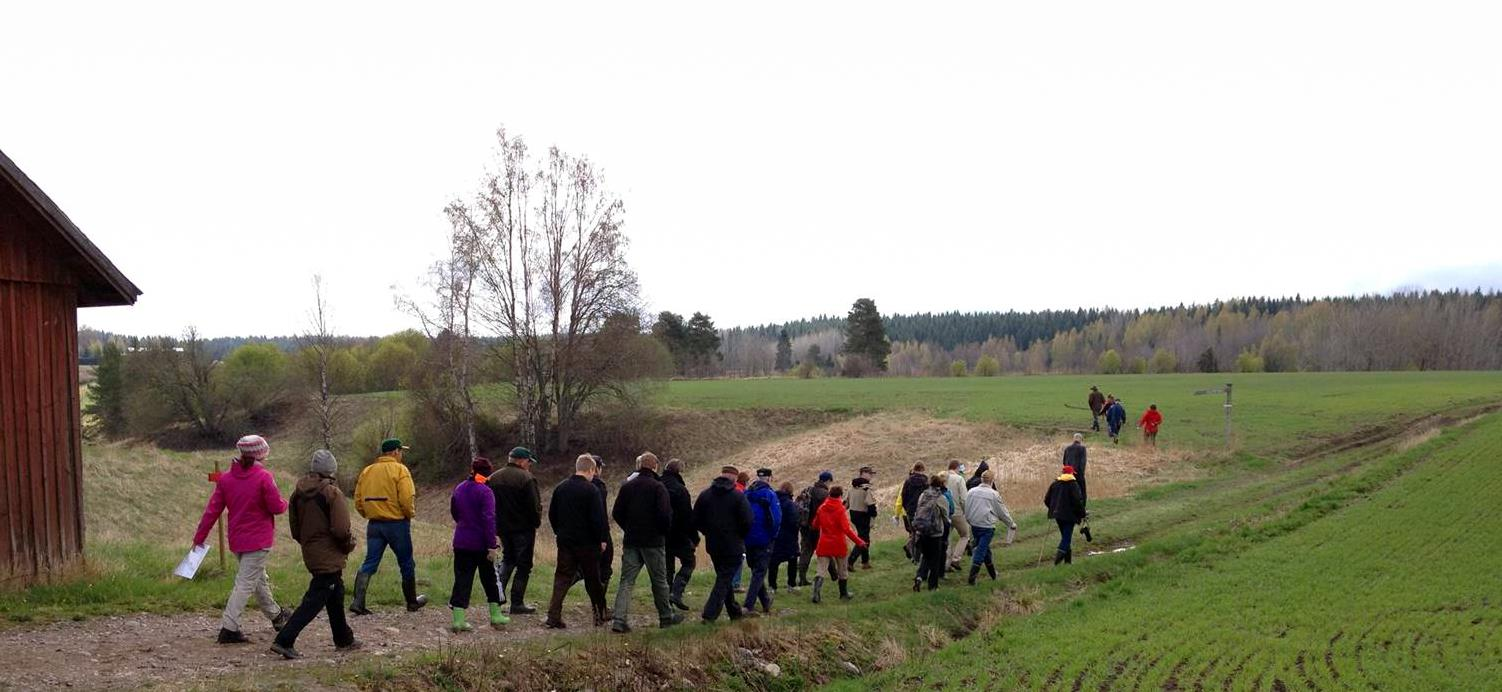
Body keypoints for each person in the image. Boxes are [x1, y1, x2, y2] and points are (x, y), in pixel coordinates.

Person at [194, 434, 290, 644]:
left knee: (258, 579)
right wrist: (285, 503)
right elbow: (276, 507)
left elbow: (212, 511)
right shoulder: (264, 477)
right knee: (246, 583)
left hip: (237, 541)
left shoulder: (226, 479)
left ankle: (276, 615)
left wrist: (199, 537)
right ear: (261, 454)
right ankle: (229, 627)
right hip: (259, 540)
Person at [270, 450, 359, 659]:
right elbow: (340, 529)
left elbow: (295, 529)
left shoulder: (297, 494)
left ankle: (343, 638)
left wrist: (310, 543)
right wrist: (348, 544)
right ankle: (284, 639)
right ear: (331, 471)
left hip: (311, 551)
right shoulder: (332, 493)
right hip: (328, 553)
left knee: (335, 590)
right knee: (316, 598)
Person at [350, 438, 427, 615]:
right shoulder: (400, 470)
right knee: (406, 562)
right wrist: (409, 514)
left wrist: (369, 513)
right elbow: (407, 499)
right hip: (397, 524)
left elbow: (358, 500)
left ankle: (358, 601)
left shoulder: (367, 471)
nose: (401, 455)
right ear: (394, 452)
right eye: (401, 451)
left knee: (370, 562)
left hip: (374, 525)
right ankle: (411, 602)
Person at [610, 452, 682, 633]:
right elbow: (665, 515)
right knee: (659, 581)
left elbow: (617, 512)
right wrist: (662, 532)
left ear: (639, 466)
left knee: (626, 581)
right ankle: (666, 617)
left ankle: (619, 620)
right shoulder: (658, 488)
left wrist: (629, 528)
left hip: (632, 540)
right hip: (653, 541)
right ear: (655, 466)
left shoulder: (627, 487)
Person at [544, 455, 610, 629]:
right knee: (593, 580)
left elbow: (552, 515)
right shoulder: (591, 490)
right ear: (590, 470)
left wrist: (560, 532)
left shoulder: (561, 488)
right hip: (588, 543)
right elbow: (598, 519)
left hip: (565, 541)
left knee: (562, 578)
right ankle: (599, 614)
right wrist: (601, 539)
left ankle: (553, 615)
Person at [448, 458, 507, 633]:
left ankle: (458, 619)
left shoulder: (459, 488)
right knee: (490, 579)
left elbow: (455, 512)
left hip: (461, 540)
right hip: (481, 543)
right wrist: (492, 545)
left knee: (462, 579)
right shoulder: (486, 492)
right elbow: (489, 519)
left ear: (472, 470)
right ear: (488, 473)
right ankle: (496, 615)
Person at [693, 465, 752, 623]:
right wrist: (740, 535)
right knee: (724, 580)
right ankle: (709, 614)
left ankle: (735, 612)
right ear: (734, 478)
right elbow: (748, 520)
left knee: (724, 577)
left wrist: (708, 532)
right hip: (733, 545)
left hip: (713, 545)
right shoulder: (737, 496)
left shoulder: (705, 495)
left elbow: (696, 519)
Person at [488, 446, 541, 614]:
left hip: (502, 528)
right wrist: (536, 522)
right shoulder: (526, 478)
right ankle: (517, 603)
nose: (529, 465)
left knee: (508, 560)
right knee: (524, 565)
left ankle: (497, 598)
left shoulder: (493, 478)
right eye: (528, 462)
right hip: (523, 529)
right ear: (521, 461)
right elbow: (534, 506)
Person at [809, 486, 866, 603]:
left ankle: (816, 592)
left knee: (821, 570)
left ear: (829, 494)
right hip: (838, 543)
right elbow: (847, 530)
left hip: (824, 542)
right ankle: (843, 594)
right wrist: (859, 542)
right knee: (842, 570)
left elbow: (815, 525)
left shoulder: (822, 508)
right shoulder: (840, 509)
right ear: (840, 495)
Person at [962, 469, 1016, 585]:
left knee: (986, 550)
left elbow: (966, 508)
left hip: (974, 525)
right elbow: (1002, 512)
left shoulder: (971, 491)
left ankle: (993, 575)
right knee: (981, 551)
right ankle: (972, 578)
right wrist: (1011, 524)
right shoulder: (993, 494)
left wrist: (969, 519)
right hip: (987, 527)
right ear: (992, 481)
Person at [741, 468, 782, 615]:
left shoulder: (746, 493)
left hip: (747, 538)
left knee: (756, 570)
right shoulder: (770, 495)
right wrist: (773, 536)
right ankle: (748, 605)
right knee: (759, 572)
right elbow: (777, 520)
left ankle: (765, 601)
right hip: (764, 539)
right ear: (770, 478)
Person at [660, 458, 698, 611]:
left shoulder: (658, 485)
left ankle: (666, 600)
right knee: (689, 562)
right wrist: (694, 537)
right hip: (679, 535)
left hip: (661, 534)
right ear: (679, 472)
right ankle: (677, 592)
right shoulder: (680, 490)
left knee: (667, 568)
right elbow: (687, 516)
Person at [911, 474, 951, 591]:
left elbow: (918, 509)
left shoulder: (923, 495)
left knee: (926, 556)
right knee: (935, 559)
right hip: (935, 533)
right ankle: (933, 586)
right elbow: (945, 516)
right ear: (941, 485)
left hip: (922, 530)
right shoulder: (941, 498)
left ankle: (919, 577)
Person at [1044, 464, 1088, 565]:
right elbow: (1078, 502)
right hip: (1069, 516)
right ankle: (1057, 561)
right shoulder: (1074, 484)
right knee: (1067, 537)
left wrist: (1053, 508)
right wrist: (1083, 513)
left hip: (1057, 515)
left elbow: (1047, 500)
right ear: (1071, 473)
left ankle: (1068, 562)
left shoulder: (1055, 484)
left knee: (1065, 536)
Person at [795, 471, 833, 586]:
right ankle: (835, 575)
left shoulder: (809, 490)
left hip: (805, 526)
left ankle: (802, 578)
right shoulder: (825, 494)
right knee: (826, 551)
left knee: (805, 552)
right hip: (818, 527)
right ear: (827, 481)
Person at [586, 455, 614, 599]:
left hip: (578, 534)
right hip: (599, 533)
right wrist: (603, 537)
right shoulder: (599, 486)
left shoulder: (572, 484)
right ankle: (599, 604)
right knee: (605, 569)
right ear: (596, 468)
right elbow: (601, 513)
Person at [768, 481, 801, 593]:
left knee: (774, 562)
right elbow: (794, 520)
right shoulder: (790, 504)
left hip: (775, 535)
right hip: (789, 536)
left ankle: (772, 586)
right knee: (792, 560)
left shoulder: (773, 501)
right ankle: (791, 585)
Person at [844, 466, 877, 570]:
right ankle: (850, 561)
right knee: (863, 540)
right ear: (863, 474)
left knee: (864, 537)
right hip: (863, 515)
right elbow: (870, 504)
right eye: (870, 474)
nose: (871, 476)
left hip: (854, 515)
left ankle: (865, 562)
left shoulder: (852, 488)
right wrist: (873, 516)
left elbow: (845, 504)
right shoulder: (865, 489)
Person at [944, 460, 972, 571]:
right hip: (957, 512)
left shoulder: (942, 477)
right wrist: (967, 512)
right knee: (965, 535)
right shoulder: (959, 479)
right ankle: (956, 559)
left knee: (947, 538)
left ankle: (946, 562)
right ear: (956, 468)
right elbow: (964, 499)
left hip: (945, 513)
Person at [899, 462, 928, 562]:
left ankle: (914, 556)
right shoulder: (925, 481)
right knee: (922, 533)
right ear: (922, 469)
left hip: (910, 510)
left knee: (914, 532)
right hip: (922, 510)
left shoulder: (908, 481)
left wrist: (907, 508)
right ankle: (916, 554)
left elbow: (903, 496)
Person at [731, 469, 752, 593]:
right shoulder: (743, 492)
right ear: (745, 481)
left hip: (728, 529)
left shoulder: (732, 489)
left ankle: (730, 582)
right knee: (740, 556)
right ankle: (735, 583)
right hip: (739, 530)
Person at [1063, 433, 1089, 504]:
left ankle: (1070, 508)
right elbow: (1082, 463)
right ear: (1081, 440)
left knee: (1070, 492)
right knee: (1081, 491)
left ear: (1073, 439)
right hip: (1078, 473)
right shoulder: (1082, 448)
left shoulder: (1067, 448)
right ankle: (1082, 509)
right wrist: (1082, 474)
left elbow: (1064, 462)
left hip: (1068, 474)